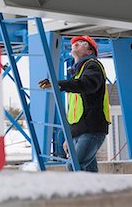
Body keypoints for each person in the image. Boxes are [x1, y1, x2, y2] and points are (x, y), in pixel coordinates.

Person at [38, 35, 110, 172]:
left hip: (91, 130)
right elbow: (75, 111)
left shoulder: (92, 65)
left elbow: (89, 85)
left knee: (74, 165)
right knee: (89, 172)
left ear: (90, 52)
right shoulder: (77, 74)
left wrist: (58, 84)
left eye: (82, 43)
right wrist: (69, 137)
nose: (76, 43)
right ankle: (98, 193)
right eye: (74, 42)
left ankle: (79, 193)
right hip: (81, 131)